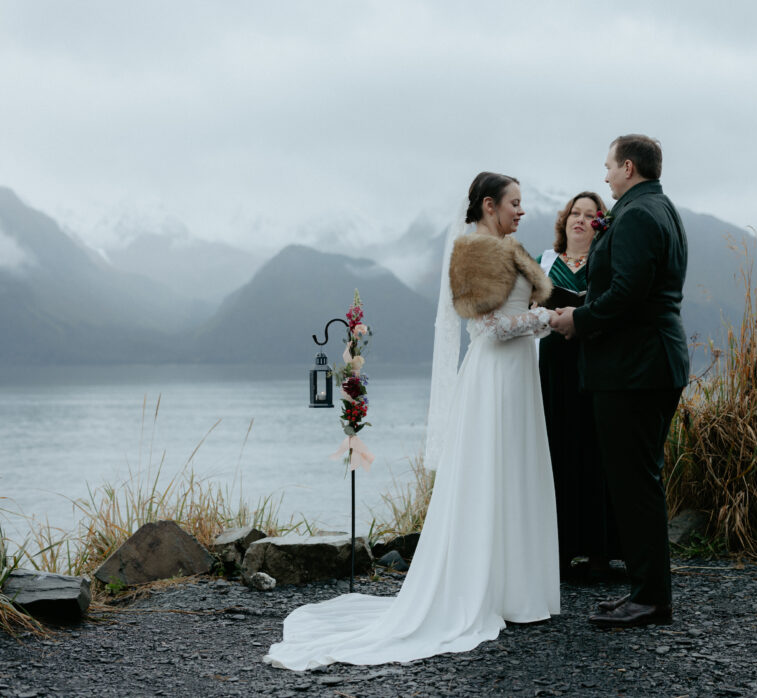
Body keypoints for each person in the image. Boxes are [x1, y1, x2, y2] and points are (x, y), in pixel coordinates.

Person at [264, 173, 560, 669]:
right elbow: (485, 327)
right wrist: (547, 321)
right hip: (494, 379)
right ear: (489, 205)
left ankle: (517, 591)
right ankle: (490, 590)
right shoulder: (473, 251)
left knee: (517, 474)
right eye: (514, 203)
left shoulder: (509, 247)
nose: (521, 211)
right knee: (493, 474)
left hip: (518, 377)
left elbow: (517, 311)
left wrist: (540, 320)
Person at [549, 134, 689, 628]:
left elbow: (628, 293)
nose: (605, 175)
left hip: (636, 368)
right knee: (638, 479)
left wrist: (577, 320)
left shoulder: (635, 217)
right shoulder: (661, 209)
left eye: (609, 166)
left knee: (635, 483)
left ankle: (650, 598)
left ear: (628, 167)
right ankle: (647, 591)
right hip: (650, 362)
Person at [536, 191, 621, 578]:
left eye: (590, 215)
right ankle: (558, 552)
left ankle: (600, 552)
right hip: (553, 368)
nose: (580, 220)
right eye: (575, 212)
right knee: (556, 451)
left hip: (594, 364)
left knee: (597, 452)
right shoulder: (542, 263)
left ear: (600, 224)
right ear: (564, 219)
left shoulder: (606, 262)